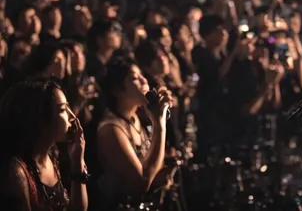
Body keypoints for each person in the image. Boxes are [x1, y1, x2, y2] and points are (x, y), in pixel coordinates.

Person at [93, 57, 174, 208]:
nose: (144, 81)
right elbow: (141, 183)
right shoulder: (111, 129)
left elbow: (152, 164)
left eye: (142, 75)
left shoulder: (134, 117)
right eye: (135, 78)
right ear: (117, 91)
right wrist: (159, 125)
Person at [0, 79, 89, 211]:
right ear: (39, 117)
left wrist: (78, 162)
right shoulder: (17, 172)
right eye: (63, 109)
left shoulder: (52, 155)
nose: (72, 117)